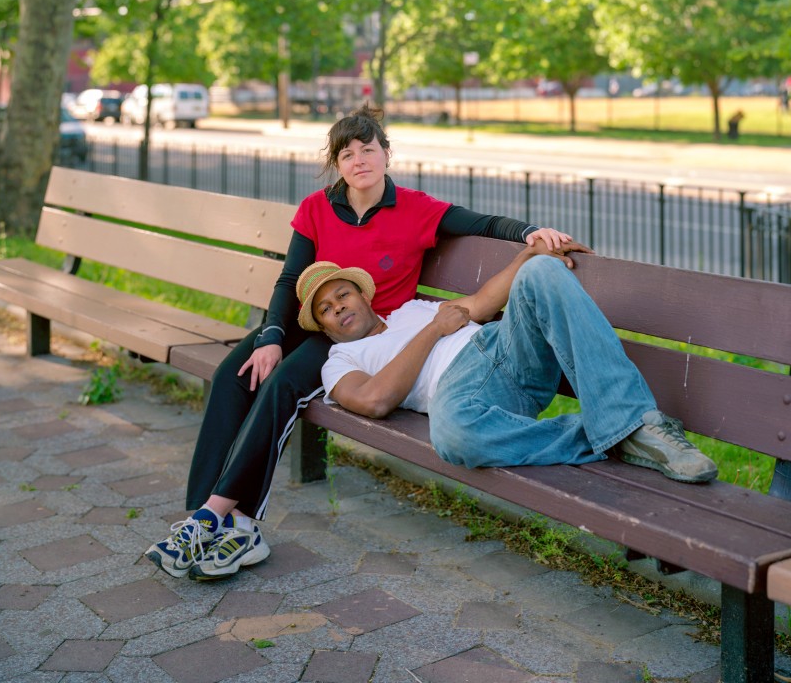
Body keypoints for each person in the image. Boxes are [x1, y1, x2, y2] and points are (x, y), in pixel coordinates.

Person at [144, 104, 573, 582]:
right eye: (346, 154)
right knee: (234, 374)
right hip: (310, 315)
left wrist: (530, 232)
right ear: (337, 164)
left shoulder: (417, 208)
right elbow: (290, 281)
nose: (359, 161)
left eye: (368, 150)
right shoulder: (317, 208)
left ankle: (234, 522)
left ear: (386, 154)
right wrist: (270, 336)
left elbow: (483, 224)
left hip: (358, 331)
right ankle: (202, 519)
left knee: (283, 385)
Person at [303, 245, 718, 483]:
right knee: (453, 438)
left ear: (364, 296)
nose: (338, 307)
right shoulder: (341, 359)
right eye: (325, 308)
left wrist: (528, 254)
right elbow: (374, 401)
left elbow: (483, 304)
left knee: (541, 271)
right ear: (322, 326)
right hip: (463, 396)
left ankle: (637, 424)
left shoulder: (410, 309)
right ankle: (621, 432)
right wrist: (433, 331)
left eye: (343, 294)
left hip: (503, 349)